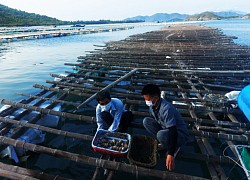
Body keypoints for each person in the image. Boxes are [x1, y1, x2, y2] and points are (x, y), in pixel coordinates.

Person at [141, 84, 189, 171]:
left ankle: (175, 147)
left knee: (161, 135)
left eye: (147, 99)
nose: (146, 101)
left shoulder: (167, 108)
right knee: (146, 121)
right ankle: (165, 142)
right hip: (166, 129)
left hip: (179, 134)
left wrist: (171, 153)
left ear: (155, 98)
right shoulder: (152, 106)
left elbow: (173, 131)